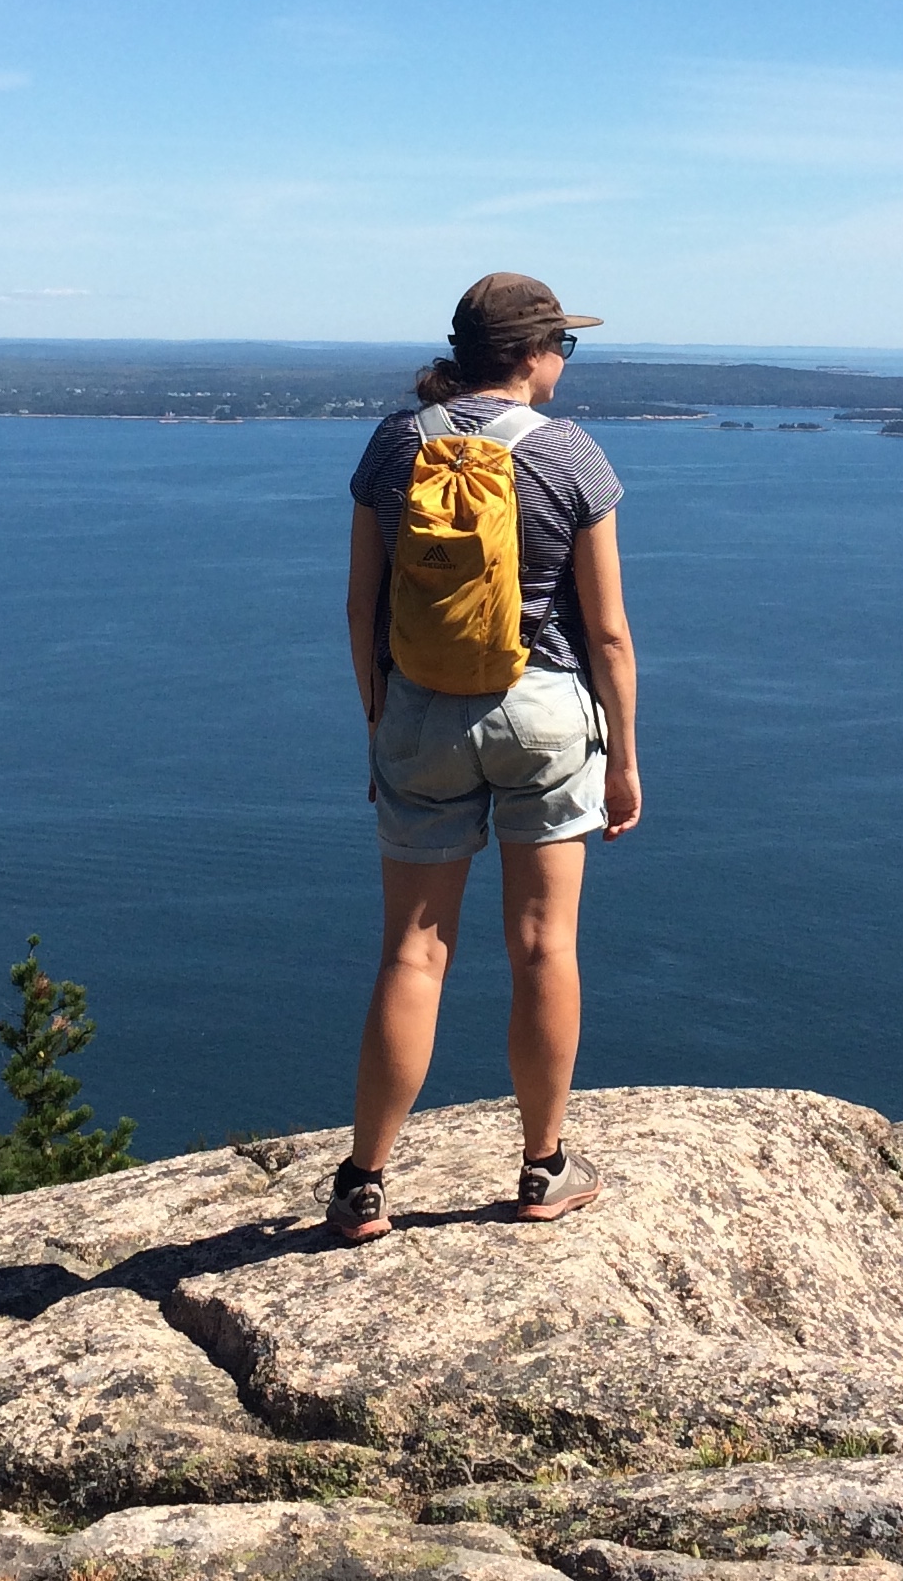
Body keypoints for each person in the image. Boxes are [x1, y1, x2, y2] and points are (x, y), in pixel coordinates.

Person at [330, 271, 641, 1240]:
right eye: (565, 348)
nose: (565, 364)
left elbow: (360, 605)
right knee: (544, 945)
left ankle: (363, 1184)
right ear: (537, 352)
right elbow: (611, 637)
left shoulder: (394, 444)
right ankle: (543, 1168)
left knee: (412, 954)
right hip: (544, 716)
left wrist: (381, 718)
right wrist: (623, 759)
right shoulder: (573, 456)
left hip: (419, 716)